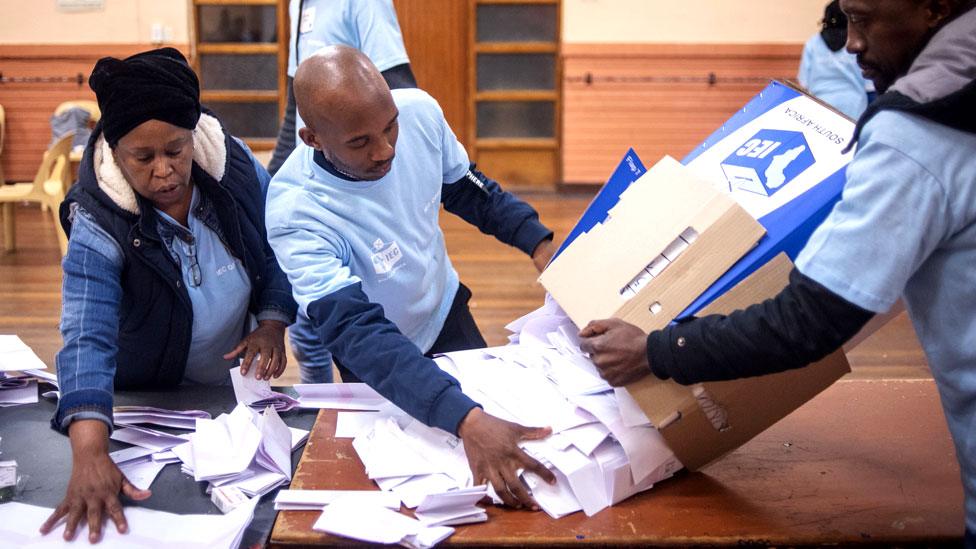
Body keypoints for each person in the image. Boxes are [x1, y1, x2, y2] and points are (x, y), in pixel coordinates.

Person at [579, 0, 976, 543]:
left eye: (864, 19)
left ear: (934, 9)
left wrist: (653, 351)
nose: (851, 42)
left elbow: (808, 321)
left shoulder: (918, 134)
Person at [266, 45, 559, 508]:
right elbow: (353, 328)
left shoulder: (420, 114)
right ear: (312, 138)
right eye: (360, 142)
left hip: (442, 309)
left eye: (389, 128)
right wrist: (463, 419)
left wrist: (540, 243)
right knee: (410, 486)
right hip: (373, 353)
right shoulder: (295, 210)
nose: (385, 151)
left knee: (497, 455)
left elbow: (469, 190)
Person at [39, 48, 297, 543]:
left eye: (175, 151)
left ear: (193, 137)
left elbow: (281, 244)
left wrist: (271, 319)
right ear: (115, 152)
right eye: (143, 157)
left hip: (226, 394)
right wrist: (91, 453)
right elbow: (85, 335)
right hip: (145, 397)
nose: (164, 170)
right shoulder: (98, 218)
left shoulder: (233, 170)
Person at [266, 0, 417, 175]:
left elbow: (399, 93)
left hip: (361, 175)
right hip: (319, 174)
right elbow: (295, 110)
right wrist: (269, 186)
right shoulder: (296, 5)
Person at [798, 0, 876, 119]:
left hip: (819, 108)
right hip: (854, 110)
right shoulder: (857, 44)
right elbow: (870, 88)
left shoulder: (813, 43)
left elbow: (804, 83)